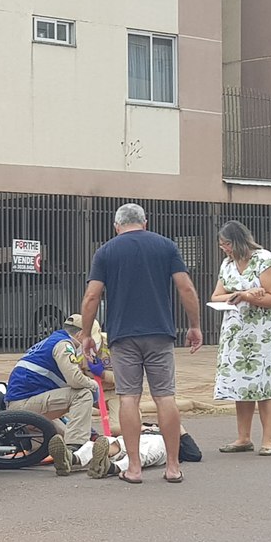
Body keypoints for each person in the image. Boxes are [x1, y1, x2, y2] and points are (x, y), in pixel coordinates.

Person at [75, 203, 203, 484]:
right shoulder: (166, 246)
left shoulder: (106, 251)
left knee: (129, 397)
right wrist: (194, 325)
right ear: (145, 222)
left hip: (123, 336)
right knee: (164, 396)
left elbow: (92, 296)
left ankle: (133, 467)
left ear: (116, 225)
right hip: (160, 332)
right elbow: (186, 288)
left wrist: (86, 334)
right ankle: (172, 467)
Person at [210, 220, 271, 456]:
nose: (224, 249)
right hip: (236, 333)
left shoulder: (264, 260)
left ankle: (269, 439)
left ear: (238, 241)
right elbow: (217, 295)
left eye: (226, 244)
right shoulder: (228, 264)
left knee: (265, 384)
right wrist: (242, 294)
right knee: (242, 383)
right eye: (222, 245)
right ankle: (243, 437)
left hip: (263, 334)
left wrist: (249, 298)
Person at [5, 314, 106, 475]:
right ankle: (75, 449)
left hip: (24, 403)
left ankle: (65, 458)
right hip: (25, 405)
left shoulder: (49, 342)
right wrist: (93, 385)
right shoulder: (63, 345)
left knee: (64, 436)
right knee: (83, 394)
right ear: (80, 335)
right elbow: (74, 380)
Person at [71, 423, 203, 480]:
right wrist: (143, 427)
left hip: (161, 444)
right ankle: (72, 459)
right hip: (136, 436)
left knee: (141, 453)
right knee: (107, 440)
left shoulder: (176, 438)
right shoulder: (148, 426)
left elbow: (195, 455)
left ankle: (111, 467)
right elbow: (115, 430)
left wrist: (178, 428)